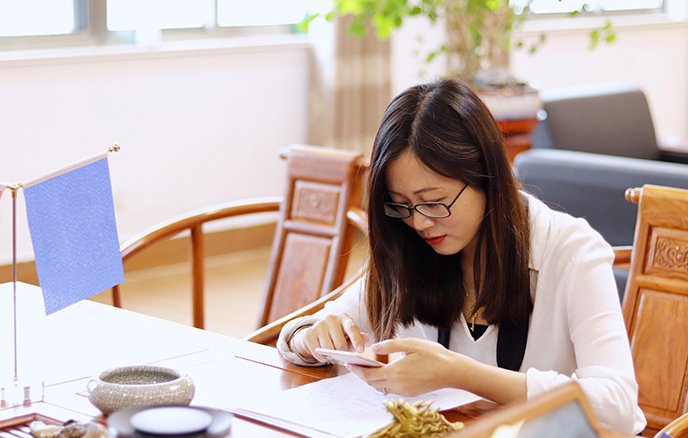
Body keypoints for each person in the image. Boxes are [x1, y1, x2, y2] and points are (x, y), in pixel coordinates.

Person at [277, 78, 646, 434]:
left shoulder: (571, 251)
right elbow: (302, 333)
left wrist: (462, 374)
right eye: (401, 205)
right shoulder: (408, 246)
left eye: (433, 202)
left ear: (486, 175)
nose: (419, 222)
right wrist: (310, 339)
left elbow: (618, 406)